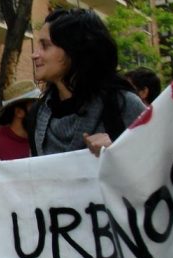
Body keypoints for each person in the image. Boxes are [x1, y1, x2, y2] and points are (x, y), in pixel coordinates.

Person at [28, 8, 146, 158]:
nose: (34, 55)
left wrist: (118, 152)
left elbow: (157, 161)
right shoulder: (37, 116)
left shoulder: (121, 105)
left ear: (73, 50)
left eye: (45, 46)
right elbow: (36, 176)